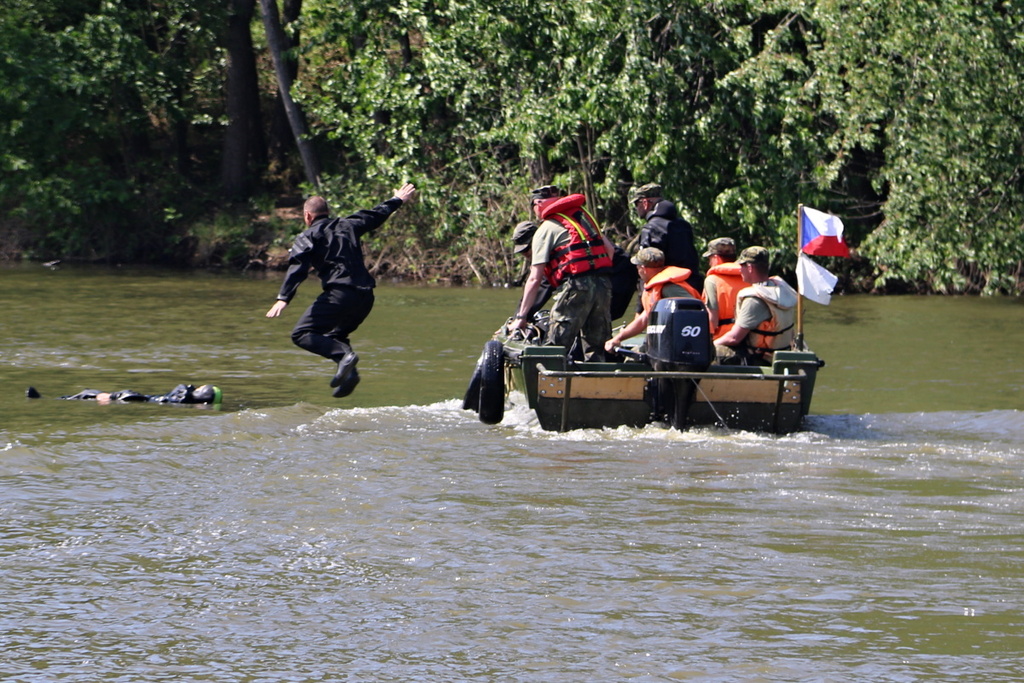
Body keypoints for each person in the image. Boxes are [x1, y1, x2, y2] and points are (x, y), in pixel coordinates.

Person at [265, 183, 418, 397]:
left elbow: (297, 268)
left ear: (308, 216)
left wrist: (283, 298)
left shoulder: (307, 236)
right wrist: (398, 200)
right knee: (336, 335)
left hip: (340, 294)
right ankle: (350, 374)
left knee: (301, 334)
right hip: (365, 296)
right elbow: (376, 214)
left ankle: (345, 357)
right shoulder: (348, 224)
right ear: (327, 213)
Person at [508, 190, 615, 361]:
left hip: (576, 287)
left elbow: (535, 278)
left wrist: (520, 318)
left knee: (555, 346)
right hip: (604, 284)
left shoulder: (546, 228)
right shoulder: (585, 219)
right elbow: (610, 250)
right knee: (596, 347)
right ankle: (596, 383)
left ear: (538, 204)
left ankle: (550, 384)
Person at [604, 247, 701, 354]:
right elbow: (643, 320)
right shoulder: (655, 287)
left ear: (643, 268)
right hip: (663, 341)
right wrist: (618, 338)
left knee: (634, 359)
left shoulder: (669, 288)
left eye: (637, 266)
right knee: (633, 355)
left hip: (681, 344)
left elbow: (696, 310)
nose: (636, 269)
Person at [712, 246, 798, 366]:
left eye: (742, 266)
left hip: (759, 359)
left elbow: (734, 338)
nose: (740, 270)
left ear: (749, 267)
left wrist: (711, 345)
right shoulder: (781, 289)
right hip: (779, 355)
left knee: (710, 353)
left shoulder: (755, 299)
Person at [630, 182, 702, 291]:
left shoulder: (650, 229)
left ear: (645, 203)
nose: (636, 208)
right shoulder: (684, 225)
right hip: (692, 287)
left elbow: (646, 269)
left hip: (666, 290)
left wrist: (641, 304)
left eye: (636, 204)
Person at [701, 237, 744, 336]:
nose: (709, 263)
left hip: (723, 337)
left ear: (716, 258)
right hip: (748, 337)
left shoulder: (712, 280)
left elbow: (712, 319)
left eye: (710, 258)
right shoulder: (748, 277)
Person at [26, 384, 222, 405]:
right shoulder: (184, 397)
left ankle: (42, 400)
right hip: (136, 396)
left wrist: (113, 398)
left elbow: (181, 386)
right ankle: (45, 398)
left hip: (131, 397)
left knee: (90, 394)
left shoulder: (184, 398)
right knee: (88, 392)